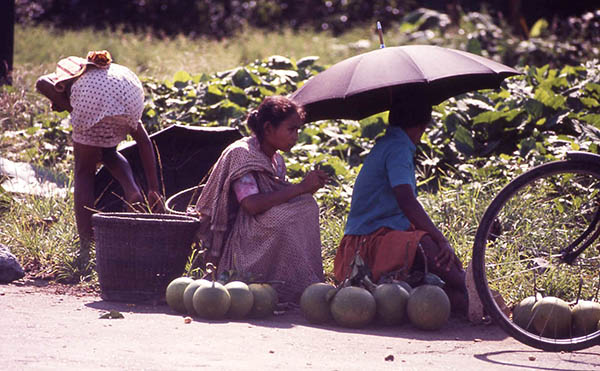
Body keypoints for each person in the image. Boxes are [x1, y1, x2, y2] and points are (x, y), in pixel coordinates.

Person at [333, 97, 469, 316]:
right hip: (364, 248)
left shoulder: (388, 143)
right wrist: (440, 238)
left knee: (448, 293)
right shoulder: (398, 148)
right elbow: (406, 200)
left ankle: (467, 294)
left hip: (373, 240)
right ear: (422, 127)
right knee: (424, 242)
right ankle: (474, 289)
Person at [194, 95, 329, 304]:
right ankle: (264, 280)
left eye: (298, 130)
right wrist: (301, 188)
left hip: (261, 227)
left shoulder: (277, 161)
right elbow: (251, 205)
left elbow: (278, 199)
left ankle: (290, 283)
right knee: (284, 217)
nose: (296, 136)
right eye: (291, 129)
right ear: (268, 128)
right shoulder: (242, 154)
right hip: (242, 238)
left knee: (307, 206)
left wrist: (305, 191)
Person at [35, 50, 163, 269]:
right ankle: (132, 189)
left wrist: (68, 105)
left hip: (90, 103)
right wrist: (153, 188)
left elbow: (41, 83)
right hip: (129, 98)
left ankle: (85, 243)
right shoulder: (113, 74)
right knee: (108, 152)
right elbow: (144, 142)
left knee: (84, 172)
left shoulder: (73, 74)